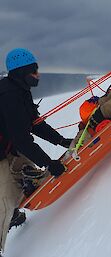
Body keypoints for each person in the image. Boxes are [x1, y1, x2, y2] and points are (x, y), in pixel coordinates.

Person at [0, 48, 72, 255]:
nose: (38, 75)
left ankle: (14, 210)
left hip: (10, 148)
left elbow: (34, 123)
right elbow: (21, 140)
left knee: (27, 173)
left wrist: (61, 141)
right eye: (34, 71)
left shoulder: (19, 89)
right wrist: (50, 164)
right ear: (23, 73)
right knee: (4, 201)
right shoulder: (9, 96)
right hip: (3, 153)